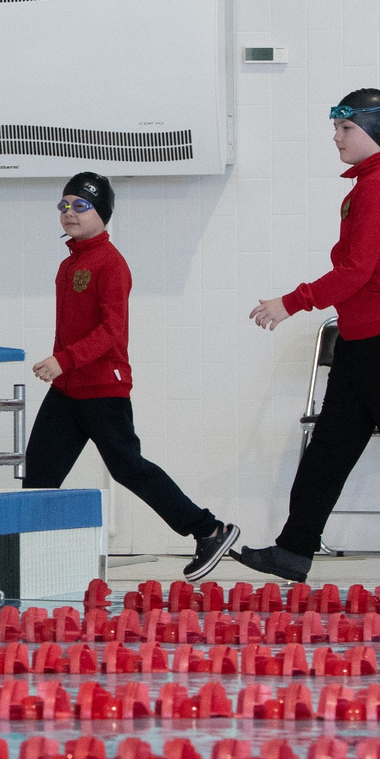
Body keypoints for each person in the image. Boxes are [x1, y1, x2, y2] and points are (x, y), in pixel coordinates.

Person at [207, 89, 380, 587]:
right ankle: (293, 550)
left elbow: (355, 270)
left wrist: (291, 302)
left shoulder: (377, 187)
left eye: (346, 129)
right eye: (336, 128)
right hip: (368, 339)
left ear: (373, 133)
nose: (336, 137)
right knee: (331, 448)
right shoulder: (374, 185)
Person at [21, 173, 242, 567]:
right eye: (64, 205)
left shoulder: (110, 264)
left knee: (130, 469)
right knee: (38, 476)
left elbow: (111, 332)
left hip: (104, 390)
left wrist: (63, 360)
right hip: (68, 391)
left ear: (102, 212)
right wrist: (64, 368)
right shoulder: (68, 265)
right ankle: (31, 560)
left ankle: (209, 530)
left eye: (81, 205)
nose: (70, 213)